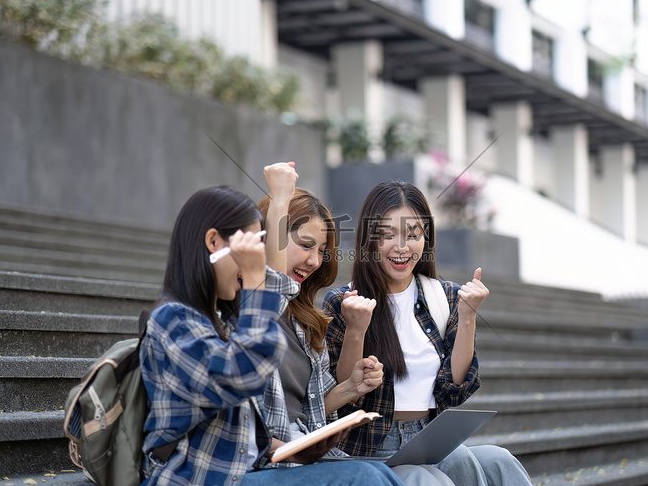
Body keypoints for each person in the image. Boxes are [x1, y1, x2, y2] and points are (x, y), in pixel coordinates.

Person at [139, 184, 403, 486]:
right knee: (364, 478)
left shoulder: (230, 318)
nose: (315, 261)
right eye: (251, 248)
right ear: (213, 241)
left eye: (321, 252)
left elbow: (243, 425)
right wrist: (256, 276)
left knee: (377, 474)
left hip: (247, 468)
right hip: (203, 479)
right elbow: (247, 376)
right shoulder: (174, 320)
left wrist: (293, 449)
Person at [323, 181, 532, 486]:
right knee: (455, 468)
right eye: (388, 235)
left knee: (502, 463)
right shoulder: (345, 302)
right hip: (370, 449)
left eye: (413, 235)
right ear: (369, 240)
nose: (402, 247)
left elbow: (453, 391)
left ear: (426, 238)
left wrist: (468, 317)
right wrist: (357, 329)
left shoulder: (443, 296)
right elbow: (342, 399)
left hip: (430, 439)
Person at [257, 163, 453, 486]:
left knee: (485, 464)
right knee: (382, 475)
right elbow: (270, 293)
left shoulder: (303, 323)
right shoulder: (251, 310)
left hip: (306, 454)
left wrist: (352, 387)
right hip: (268, 462)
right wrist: (279, 199)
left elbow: (315, 406)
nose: (315, 261)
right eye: (306, 246)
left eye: (321, 251)